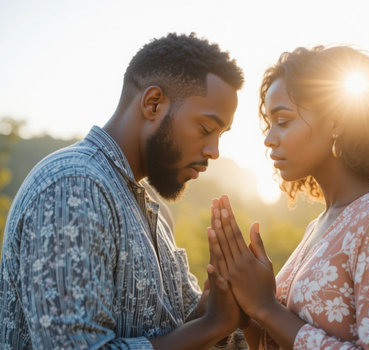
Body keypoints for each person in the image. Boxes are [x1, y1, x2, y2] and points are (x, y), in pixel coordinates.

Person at [0, 33, 248, 349]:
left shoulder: (153, 207)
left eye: (221, 135)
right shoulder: (74, 186)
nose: (214, 150)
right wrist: (212, 325)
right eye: (206, 129)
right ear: (153, 103)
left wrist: (216, 303)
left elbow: (174, 329)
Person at [208, 46, 369, 349]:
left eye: (283, 121)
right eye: (269, 124)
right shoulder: (319, 224)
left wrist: (267, 307)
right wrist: (246, 308)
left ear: (336, 122)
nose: (269, 138)